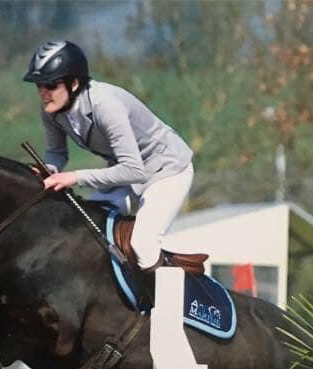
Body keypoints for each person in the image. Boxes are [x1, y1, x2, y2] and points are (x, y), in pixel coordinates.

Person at [24, 40, 198, 272]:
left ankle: (168, 294)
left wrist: (74, 177)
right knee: (82, 229)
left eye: (50, 85)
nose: (43, 93)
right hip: (127, 174)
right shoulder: (51, 111)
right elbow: (57, 153)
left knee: (142, 245)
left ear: (74, 83)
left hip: (167, 170)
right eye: (39, 85)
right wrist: (50, 169)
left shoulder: (105, 105)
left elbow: (134, 170)